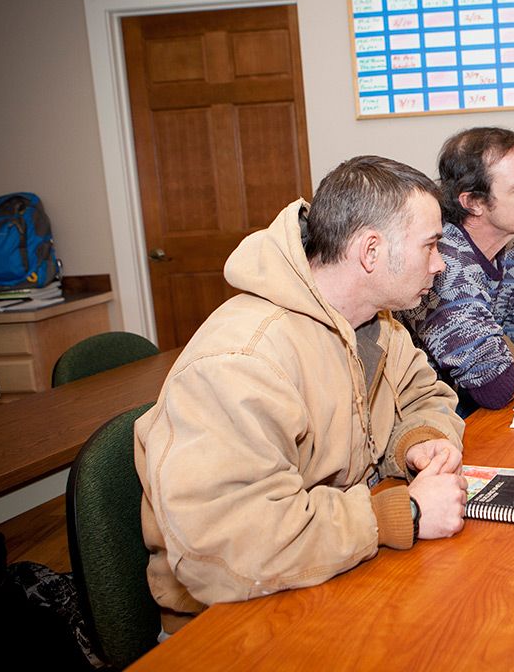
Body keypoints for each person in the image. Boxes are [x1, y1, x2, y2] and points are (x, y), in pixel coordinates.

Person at [135, 156, 469, 634]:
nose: (440, 264)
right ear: (371, 252)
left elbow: (424, 394)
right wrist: (404, 512)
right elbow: (228, 546)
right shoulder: (242, 361)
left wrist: (418, 438)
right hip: (234, 616)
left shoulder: (375, 323)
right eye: (431, 246)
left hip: (330, 571)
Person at [397, 127, 514, 413]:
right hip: (425, 416)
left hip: (467, 408)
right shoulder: (443, 265)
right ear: (473, 203)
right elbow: (495, 388)